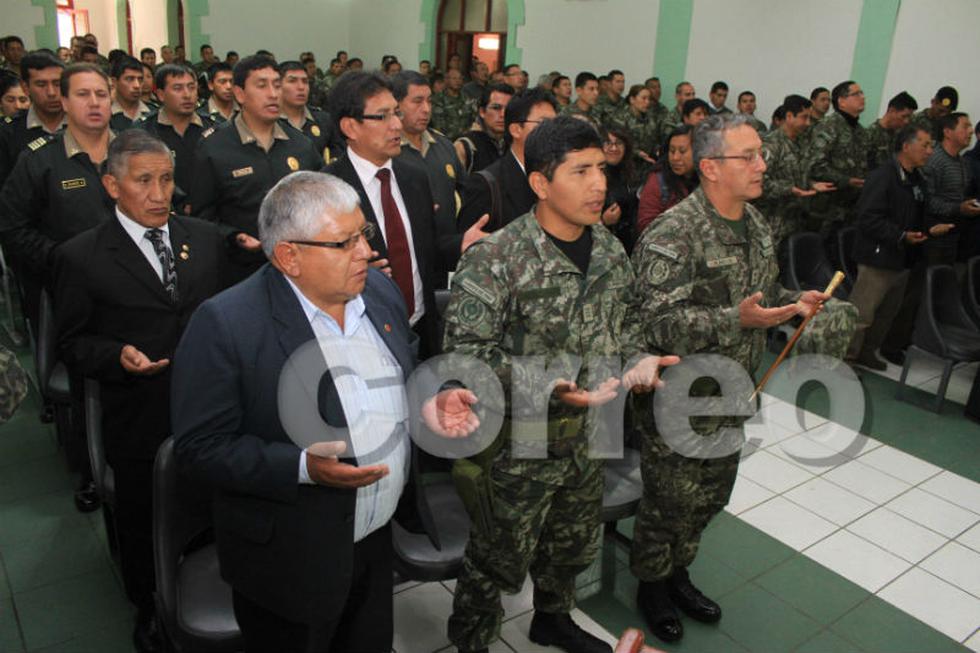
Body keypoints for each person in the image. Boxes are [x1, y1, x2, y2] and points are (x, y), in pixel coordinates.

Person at [172, 170, 478, 653]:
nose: (364, 251)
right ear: (289, 256)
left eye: (363, 234)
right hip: (290, 558)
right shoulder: (225, 325)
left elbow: (404, 369)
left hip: (375, 539)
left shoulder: (376, 292)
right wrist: (301, 468)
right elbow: (199, 448)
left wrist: (428, 402)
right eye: (344, 242)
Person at [444, 115, 674, 653]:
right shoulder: (496, 258)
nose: (599, 184)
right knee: (495, 559)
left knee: (571, 543)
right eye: (580, 171)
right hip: (517, 447)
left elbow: (629, 324)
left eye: (601, 168)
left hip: (590, 435)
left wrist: (640, 359)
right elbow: (465, 356)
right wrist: (548, 385)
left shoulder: (611, 252)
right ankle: (471, 640)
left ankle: (552, 617)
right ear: (541, 184)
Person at [629, 114, 856, 644]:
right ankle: (651, 587)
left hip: (733, 392)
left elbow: (762, 292)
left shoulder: (756, 224)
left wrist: (791, 305)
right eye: (748, 156)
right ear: (710, 167)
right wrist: (738, 319)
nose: (762, 165)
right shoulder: (673, 233)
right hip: (681, 398)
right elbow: (654, 323)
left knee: (711, 495)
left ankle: (678, 573)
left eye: (761, 154)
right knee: (669, 502)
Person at [52, 129, 230, 653]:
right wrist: (116, 357)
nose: (160, 194)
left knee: (206, 503)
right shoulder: (81, 257)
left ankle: (205, 584)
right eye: (144, 181)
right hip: (138, 413)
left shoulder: (204, 238)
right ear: (112, 185)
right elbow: (73, 343)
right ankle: (149, 607)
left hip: (205, 404)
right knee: (143, 518)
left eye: (168, 179)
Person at [324, 71, 476, 356]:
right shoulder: (328, 189)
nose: (397, 124)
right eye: (382, 117)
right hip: (364, 334)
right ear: (350, 127)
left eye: (396, 113)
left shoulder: (413, 177)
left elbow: (425, 250)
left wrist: (461, 244)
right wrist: (348, 271)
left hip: (420, 327)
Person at [185, 55, 320, 281]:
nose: (273, 93)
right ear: (240, 94)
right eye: (261, 85)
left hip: (300, 270)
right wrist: (233, 236)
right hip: (240, 270)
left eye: (277, 85)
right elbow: (201, 218)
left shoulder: (301, 144)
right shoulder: (214, 147)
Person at [845, 125, 942, 370]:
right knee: (862, 314)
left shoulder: (917, 179)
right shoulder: (883, 176)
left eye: (931, 146)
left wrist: (927, 231)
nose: (930, 151)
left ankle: (867, 352)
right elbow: (868, 218)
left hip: (902, 258)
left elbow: (916, 214)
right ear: (906, 146)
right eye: (925, 145)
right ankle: (846, 358)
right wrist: (900, 235)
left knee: (886, 314)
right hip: (877, 257)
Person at [457, 87, 557, 236]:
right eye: (543, 124)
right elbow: (467, 247)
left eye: (556, 124)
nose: (554, 132)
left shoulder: (556, 178)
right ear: (516, 130)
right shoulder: (487, 185)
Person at [394, 70, 465, 262]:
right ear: (396, 105)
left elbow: (464, 194)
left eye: (429, 101)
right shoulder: (388, 151)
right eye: (417, 101)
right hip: (406, 256)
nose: (426, 109)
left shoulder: (444, 146)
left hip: (447, 253)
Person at [757, 94, 835, 254]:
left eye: (809, 118)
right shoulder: (771, 145)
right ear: (789, 116)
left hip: (796, 220)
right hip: (773, 223)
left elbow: (796, 173)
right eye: (804, 118)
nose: (807, 123)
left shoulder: (801, 143)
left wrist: (811, 184)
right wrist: (790, 189)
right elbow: (759, 182)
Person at [138, 63, 215, 209]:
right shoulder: (144, 131)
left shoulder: (213, 128)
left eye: (191, 87)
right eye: (178, 88)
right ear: (160, 94)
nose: (187, 95)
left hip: (208, 213)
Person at [806, 80, 868, 242]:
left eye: (862, 93)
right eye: (856, 94)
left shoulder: (860, 131)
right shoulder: (828, 126)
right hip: (826, 208)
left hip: (851, 208)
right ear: (841, 101)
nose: (862, 97)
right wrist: (846, 180)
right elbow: (816, 165)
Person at [921, 112, 980, 266]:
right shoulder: (934, 159)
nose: (971, 131)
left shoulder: (961, 161)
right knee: (925, 284)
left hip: (953, 236)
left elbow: (958, 196)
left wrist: (969, 205)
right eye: (966, 126)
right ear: (947, 132)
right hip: (933, 235)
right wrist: (959, 208)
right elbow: (927, 200)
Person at [0, 51, 65, 185]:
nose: (51, 92)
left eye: (57, 84)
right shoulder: (7, 133)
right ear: (25, 88)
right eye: (41, 85)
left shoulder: (82, 124)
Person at [277, 60, 345, 165]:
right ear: (278, 86)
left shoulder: (325, 120)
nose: (301, 87)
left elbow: (339, 156)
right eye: (292, 81)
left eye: (305, 81)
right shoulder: (270, 122)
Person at [636, 126, 698, 235]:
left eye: (682, 151)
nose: (675, 157)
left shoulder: (710, 179)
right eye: (672, 151)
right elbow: (645, 225)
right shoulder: (658, 181)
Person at [454, 82, 514, 174]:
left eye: (508, 109)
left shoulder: (514, 144)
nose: (503, 114)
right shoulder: (466, 146)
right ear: (482, 112)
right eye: (496, 108)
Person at [600, 126, 641, 253]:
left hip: (631, 244)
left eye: (618, 143)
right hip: (603, 247)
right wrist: (603, 221)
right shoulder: (592, 176)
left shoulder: (634, 172)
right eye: (608, 143)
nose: (613, 148)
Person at [865, 91, 917, 171]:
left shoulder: (900, 135)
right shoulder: (871, 134)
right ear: (892, 111)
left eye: (909, 117)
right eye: (904, 116)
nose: (906, 121)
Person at [610, 84, 659, 167]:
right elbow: (618, 144)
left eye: (648, 99)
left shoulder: (650, 118)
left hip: (646, 165)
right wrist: (637, 153)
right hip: (626, 166)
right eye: (643, 98)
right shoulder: (620, 118)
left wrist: (658, 150)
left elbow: (654, 139)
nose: (647, 102)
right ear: (632, 100)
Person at [109, 56, 152, 131]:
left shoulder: (153, 113)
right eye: (130, 79)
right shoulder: (106, 115)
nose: (137, 85)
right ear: (114, 82)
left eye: (140, 79)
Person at [431, 68, 475, 141]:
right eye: (454, 78)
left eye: (460, 78)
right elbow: (439, 128)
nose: (458, 81)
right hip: (446, 142)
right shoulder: (438, 100)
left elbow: (474, 120)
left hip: (467, 141)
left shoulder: (467, 98)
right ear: (447, 80)